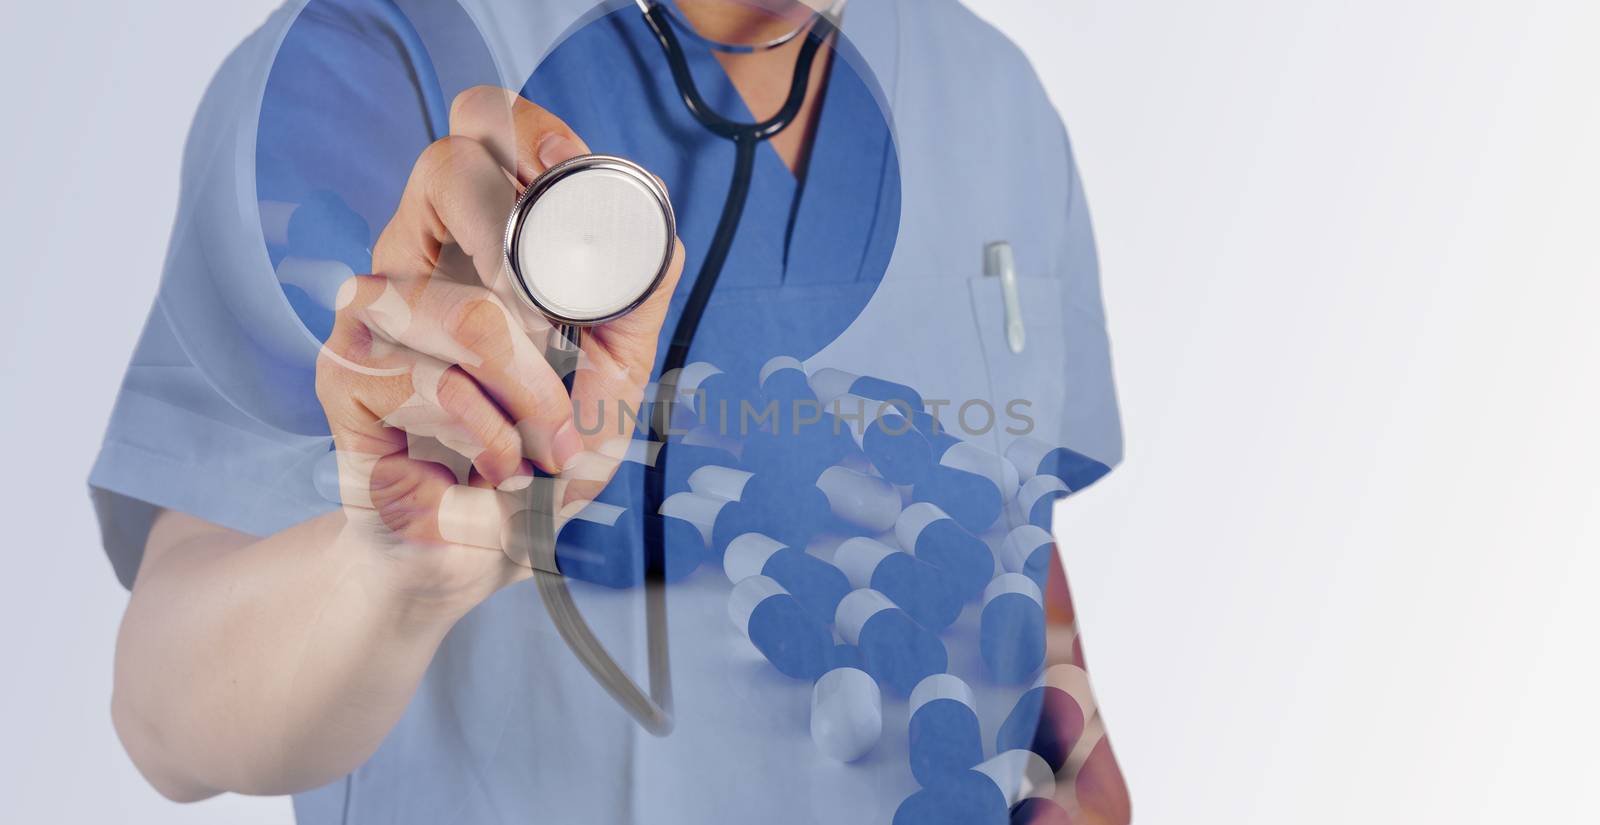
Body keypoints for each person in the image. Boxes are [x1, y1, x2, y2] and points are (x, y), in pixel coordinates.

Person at [91, 1, 1131, 822]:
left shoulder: (996, 93)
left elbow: (1006, 508)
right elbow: (160, 712)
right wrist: (397, 565)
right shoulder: (371, 64)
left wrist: (1076, 742)